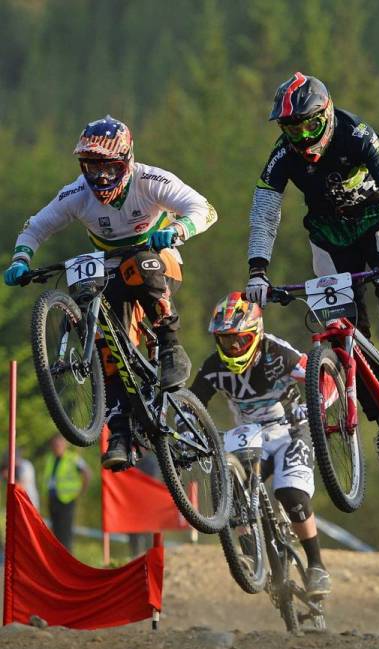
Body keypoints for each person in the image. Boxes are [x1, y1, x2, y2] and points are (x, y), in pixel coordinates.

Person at [3, 115, 218, 470]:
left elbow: (205, 209)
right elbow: (35, 227)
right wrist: (21, 259)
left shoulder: (150, 180)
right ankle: (119, 427)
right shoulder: (76, 194)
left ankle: (170, 344)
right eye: (91, 167)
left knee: (142, 263)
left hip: (159, 261)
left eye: (109, 167)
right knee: (104, 336)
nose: (100, 177)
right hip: (111, 270)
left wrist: (178, 230)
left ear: (127, 160)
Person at [245, 72, 379, 427]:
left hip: (377, 224)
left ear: (327, 114)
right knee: (340, 332)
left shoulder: (356, 133)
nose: (302, 137)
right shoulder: (283, 155)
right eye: (291, 129)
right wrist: (257, 270)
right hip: (329, 239)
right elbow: (264, 212)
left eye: (309, 125)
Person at [190, 291, 331, 599]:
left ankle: (317, 565)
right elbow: (192, 407)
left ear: (255, 333)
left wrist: (316, 406)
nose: (233, 347)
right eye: (225, 341)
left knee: (289, 493)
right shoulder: (214, 366)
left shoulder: (277, 353)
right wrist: (184, 436)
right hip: (251, 437)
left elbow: (325, 378)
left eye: (238, 339)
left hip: (290, 432)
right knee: (232, 483)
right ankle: (250, 554)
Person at [42, 433, 92, 552]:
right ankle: (57, 559)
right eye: (54, 444)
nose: (56, 446)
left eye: (59, 443)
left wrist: (81, 492)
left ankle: (67, 560)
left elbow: (87, 473)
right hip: (53, 499)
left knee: (65, 534)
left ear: (65, 445)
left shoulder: (73, 458)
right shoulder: (50, 458)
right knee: (55, 532)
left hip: (67, 500)